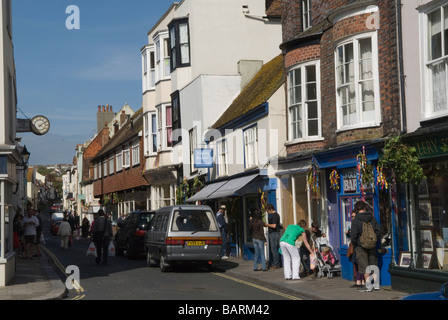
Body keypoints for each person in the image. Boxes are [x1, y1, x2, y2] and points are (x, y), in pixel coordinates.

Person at [349, 200, 381, 292]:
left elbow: (354, 235)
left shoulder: (356, 220)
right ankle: (375, 284)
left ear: (357, 209)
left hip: (360, 246)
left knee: (364, 266)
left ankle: (368, 285)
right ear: (365, 208)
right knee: (373, 264)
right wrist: (375, 241)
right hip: (372, 245)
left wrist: (355, 244)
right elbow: (378, 232)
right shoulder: (372, 218)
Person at [346, 210, 365, 288]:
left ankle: (362, 281)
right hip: (356, 246)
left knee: (360, 264)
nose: (352, 218)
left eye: (353, 216)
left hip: (358, 246)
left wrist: (349, 234)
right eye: (351, 216)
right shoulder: (357, 223)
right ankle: (358, 281)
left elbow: (354, 235)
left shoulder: (357, 223)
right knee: (356, 264)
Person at [265, 204, 281, 269]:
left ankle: (276, 264)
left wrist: (267, 224)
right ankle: (276, 263)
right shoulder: (275, 215)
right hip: (274, 233)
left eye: (268, 211)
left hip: (274, 233)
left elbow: (274, 226)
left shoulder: (275, 215)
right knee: (274, 249)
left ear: (270, 209)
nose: (268, 212)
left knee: (274, 249)